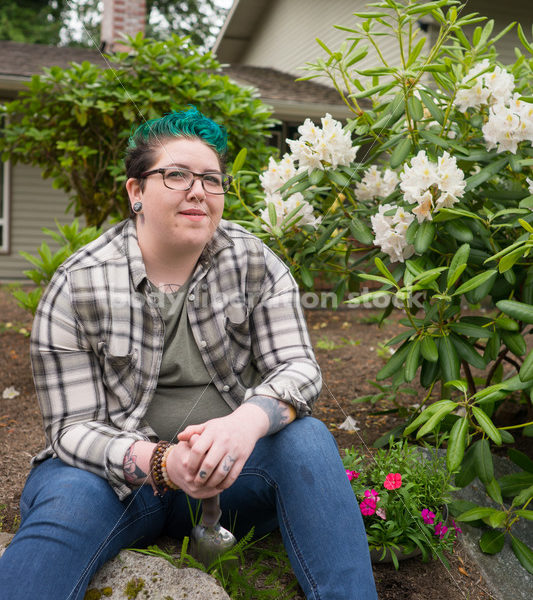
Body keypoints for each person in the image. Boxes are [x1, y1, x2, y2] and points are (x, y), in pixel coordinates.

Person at [0, 107, 377, 600]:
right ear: (136, 192)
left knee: (307, 440)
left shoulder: (253, 262)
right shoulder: (79, 284)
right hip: (116, 481)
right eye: (176, 175)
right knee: (66, 504)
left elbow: (299, 367)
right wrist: (162, 462)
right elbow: (71, 429)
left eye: (211, 180)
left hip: (230, 474)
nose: (198, 190)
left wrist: (244, 424)